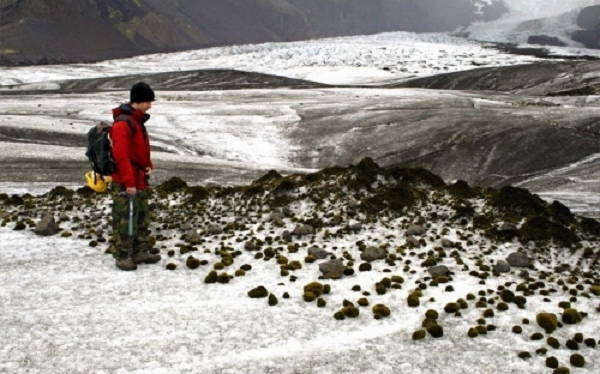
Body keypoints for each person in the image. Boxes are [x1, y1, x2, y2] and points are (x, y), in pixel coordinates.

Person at [109, 82, 161, 271]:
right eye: (147, 101)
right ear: (137, 101)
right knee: (125, 219)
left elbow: (139, 150)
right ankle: (122, 255)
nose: (150, 105)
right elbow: (121, 156)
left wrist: (148, 164)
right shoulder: (123, 124)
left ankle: (140, 251)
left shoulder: (137, 121)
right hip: (127, 181)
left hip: (139, 178)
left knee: (141, 217)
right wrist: (128, 182)